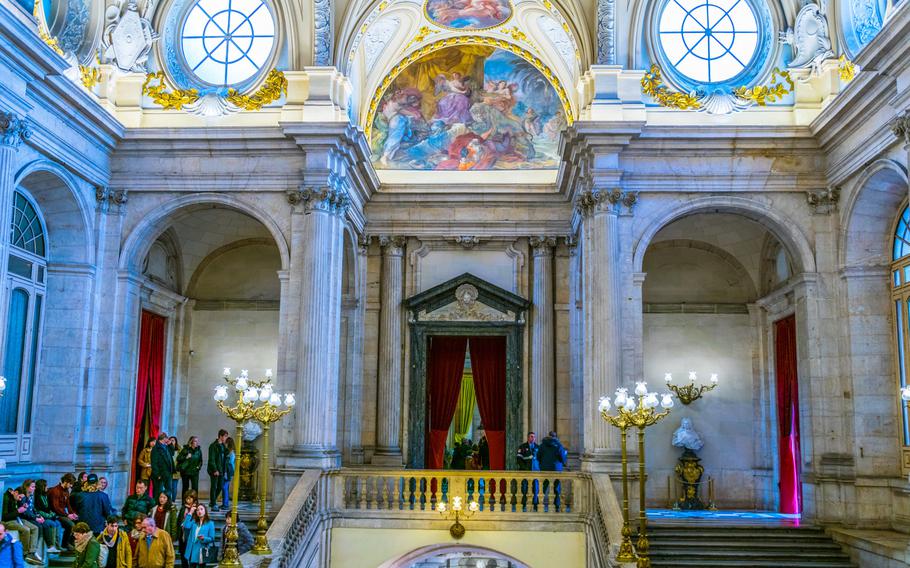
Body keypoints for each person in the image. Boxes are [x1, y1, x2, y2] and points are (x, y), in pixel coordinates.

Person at [18, 480, 61, 553]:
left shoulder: (31, 496)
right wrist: (36, 518)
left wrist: (38, 516)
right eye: (32, 487)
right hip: (25, 518)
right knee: (41, 526)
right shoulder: (23, 497)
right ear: (26, 487)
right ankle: (34, 550)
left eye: (34, 487)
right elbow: (25, 512)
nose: (34, 488)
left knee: (50, 523)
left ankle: (50, 546)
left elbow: (33, 509)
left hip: (32, 516)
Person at [1, 487, 40, 565]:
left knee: (35, 528)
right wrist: (18, 511)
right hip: (7, 521)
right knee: (26, 530)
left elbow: (19, 509)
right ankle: (25, 553)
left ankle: (32, 552)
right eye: (19, 497)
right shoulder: (6, 498)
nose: (20, 499)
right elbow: (4, 517)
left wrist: (23, 506)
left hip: (17, 518)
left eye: (21, 498)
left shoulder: (16, 498)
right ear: (15, 492)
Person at [47, 474, 79, 549]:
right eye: (70, 484)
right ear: (65, 482)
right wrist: (67, 515)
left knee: (78, 521)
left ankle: (72, 541)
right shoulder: (55, 491)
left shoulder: (66, 491)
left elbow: (68, 504)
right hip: (56, 515)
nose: (71, 486)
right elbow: (56, 508)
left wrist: (73, 513)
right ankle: (65, 543)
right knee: (70, 524)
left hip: (63, 513)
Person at [33, 480, 63, 552]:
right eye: (45, 486)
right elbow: (38, 510)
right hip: (41, 516)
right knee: (51, 523)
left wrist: (52, 514)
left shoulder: (45, 495)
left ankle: (57, 545)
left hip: (47, 515)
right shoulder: (36, 496)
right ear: (41, 487)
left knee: (58, 523)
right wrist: (49, 516)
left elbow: (48, 508)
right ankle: (51, 545)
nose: (47, 487)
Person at [206, 430, 228, 511]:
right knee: (214, 486)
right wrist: (215, 469)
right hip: (214, 470)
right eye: (225, 436)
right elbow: (211, 459)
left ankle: (212, 501)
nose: (226, 438)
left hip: (222, 470)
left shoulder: (223, 446)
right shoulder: (213, 446)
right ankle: (213, 503)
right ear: (220, 436)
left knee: (220, 486)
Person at [151, 433, 175, 500]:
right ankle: (156, 505)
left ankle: (168, 504)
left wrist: (170, 444)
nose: (168, 440)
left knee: (169, 489)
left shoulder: (166, 446)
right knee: (158, 491)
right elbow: (154, 463)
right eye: (167, 438)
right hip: (160, 474)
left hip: (168, 472)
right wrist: (157, 474)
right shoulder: (156, 448)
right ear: (164, 439)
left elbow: (172, 452)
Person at [221, 437, 235, 510]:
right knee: (224, 487)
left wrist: (226, 472)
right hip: (227, 471)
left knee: (225, 488)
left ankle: (225, 504)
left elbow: (230, 463)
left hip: (228, 471)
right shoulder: (229, 452)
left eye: (226, 443)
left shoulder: (231, 452)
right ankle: (224, 503)